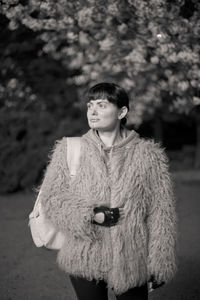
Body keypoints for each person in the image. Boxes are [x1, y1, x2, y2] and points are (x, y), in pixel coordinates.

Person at [38, 82, 177, 300]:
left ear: (121, 111)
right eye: (90, 105)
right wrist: (91, 215)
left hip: (133, 258)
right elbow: (52, 198)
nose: (92, 111)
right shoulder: (69, 149)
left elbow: (161, 212)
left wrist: (161, 260)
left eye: (102, 105)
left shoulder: (149, 155)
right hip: (84, 254)